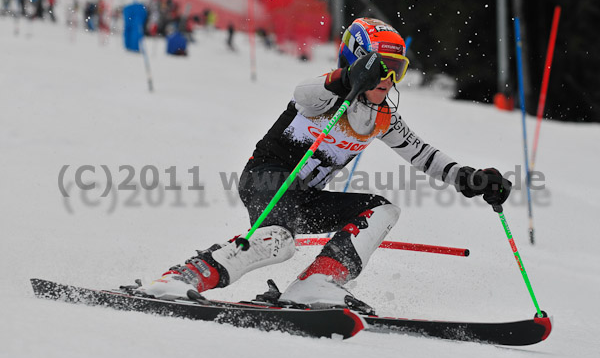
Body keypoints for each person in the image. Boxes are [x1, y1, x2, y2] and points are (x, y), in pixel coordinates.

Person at [140, 18, 512, 308]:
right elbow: (302, 93)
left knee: (382, 210)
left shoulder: (383, 116)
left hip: (306, 197)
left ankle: (317, 282)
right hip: (268, 178)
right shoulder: (327, 96)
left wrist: (469, 177)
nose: (387, 79)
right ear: (355, 62)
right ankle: (185, 276)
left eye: (396, 70)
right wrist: (346, 78)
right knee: (279, 242)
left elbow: (423, 155)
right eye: (379, 67)